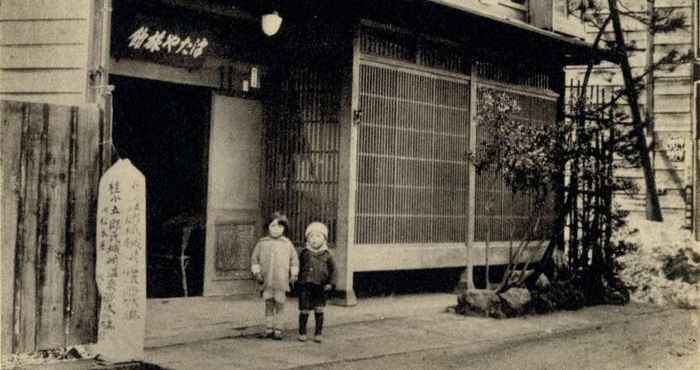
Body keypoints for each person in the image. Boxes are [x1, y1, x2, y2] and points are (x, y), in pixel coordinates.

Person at [251, 212, 299, 340]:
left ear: (284, 228)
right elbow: (254, 259)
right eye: (273, 226)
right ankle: (268, 328)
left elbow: (294, 260)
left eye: (279, 226)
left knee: (280, 304)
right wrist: (257, 273)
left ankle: (278, 329)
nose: (276, 229)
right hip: (267, 281)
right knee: (268, 304)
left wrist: (294, 274)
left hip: (281, 281)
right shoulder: (262, 243)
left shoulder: (287, 244)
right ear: (268, 227)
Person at [297, 222, 337, 343]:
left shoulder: (327, 254)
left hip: (321, 286)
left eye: (318, 236)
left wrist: (331, 283)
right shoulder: (304, 253)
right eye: (311, 236)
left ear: (324, 239)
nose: (314, 239)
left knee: (319, 310)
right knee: (304, 310)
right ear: (307, 239)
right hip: (306, 285)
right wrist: (297, 279)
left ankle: (318, 333)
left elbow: (333, 270)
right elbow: (299, 267)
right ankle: (302, 332)